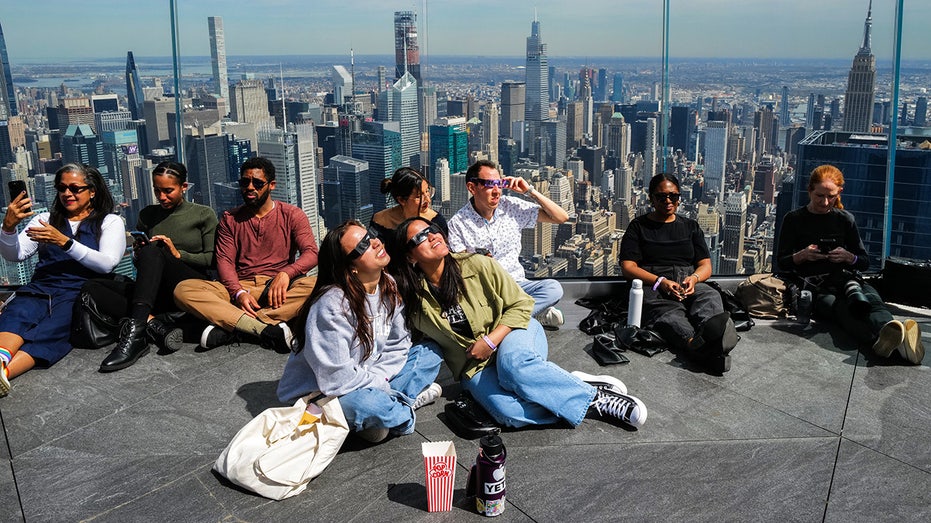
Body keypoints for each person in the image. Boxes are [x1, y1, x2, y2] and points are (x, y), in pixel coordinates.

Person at [392, 217, 647, 430]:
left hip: (514, 330)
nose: (433, 235)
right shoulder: (415, 299)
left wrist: (490, 341)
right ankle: (567, 384)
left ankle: (594, 400)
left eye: (431, 230)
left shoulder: (477, 264)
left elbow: (522, 304)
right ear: (410, 257)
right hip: (474, 366)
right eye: (420, 237)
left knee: (513, 366)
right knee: (508, 413)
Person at [277, 221, 443, 443]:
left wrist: (379, 379)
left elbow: (399, 343)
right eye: (363, 245)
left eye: (371, 236)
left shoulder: (388, 285)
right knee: (366, 405)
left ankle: (388, 410)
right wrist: (380, 386)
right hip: (324, 394)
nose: (375, 242)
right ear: (350, 266)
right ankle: (403, 410)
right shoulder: (332, 305)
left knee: (430, 352)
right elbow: (336, 378)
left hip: (370, 375)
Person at [776, 164, 923, 364]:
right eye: (820, 195)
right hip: (817, 288)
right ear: (809, 190)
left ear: (840, 193)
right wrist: (801, 256)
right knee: (842, 310)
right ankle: (894, 345)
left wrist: (848, 257)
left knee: (870, 302)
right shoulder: (794, 219)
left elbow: (863, 262)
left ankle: (892, 333)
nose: (825, 202)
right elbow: (782, 263)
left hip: (847, 279)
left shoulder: (845, 219)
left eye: (831, 196)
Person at [0, 164, 124, 396]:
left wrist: (65, 242)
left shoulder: (109, 222)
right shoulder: (45, 219)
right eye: (62, 188)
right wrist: (7, 228)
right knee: (17, 317)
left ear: (92, 191)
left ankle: (5, 374)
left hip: (78, 294)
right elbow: (14, 254)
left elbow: (107, 263)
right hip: (39, 288)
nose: (68, 194)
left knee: (51, 331)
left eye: (75, 188)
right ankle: (0, 364)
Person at [173, 157, 318, 353]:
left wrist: (286, 274)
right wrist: (238, 292)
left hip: (278, 287)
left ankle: (238, 326)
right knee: (184, 289)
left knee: (320, 285)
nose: (250, 187)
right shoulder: (230, 219)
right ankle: (264, 329)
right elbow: (224, 262)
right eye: (245, 182)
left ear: (271, 185)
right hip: (241, 287)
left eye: (257, 183)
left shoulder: (292, 215)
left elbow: (311, 253)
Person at [86, 161, 219, 372]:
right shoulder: (147, 215)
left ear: (184, 187)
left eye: (168, 191)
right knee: (91, 287)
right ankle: (154, 324)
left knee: (155, 251)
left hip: (191, 285)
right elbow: (143, 264)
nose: (162, 197)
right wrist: (139, 255)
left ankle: (135, 336)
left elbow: (211, 260)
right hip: (157, 292)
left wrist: (176, 254)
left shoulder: (203, 214)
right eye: (157, 191)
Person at [619, 173, 738, 375]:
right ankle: (694, 343)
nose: (667, 201)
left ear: (679, 197)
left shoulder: (690, 226)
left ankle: (709, 337)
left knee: (709, 295)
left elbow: (705, 266)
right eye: (661, 196)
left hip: (686, 279)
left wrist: (694, 279)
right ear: (651, 198)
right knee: (665, 310)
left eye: (673, 196)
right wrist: (661, 281)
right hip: (653, 283)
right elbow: (628, 267)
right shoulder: (638, 227)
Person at [447, 160, 569, 328]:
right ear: (471, 187)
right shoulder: (457, 224)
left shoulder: (511, 207)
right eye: (490, 185)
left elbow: (561, 217)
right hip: (485, 292)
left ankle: (504, 319)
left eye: (499, 184)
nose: (497, 191)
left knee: (553, 288)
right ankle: (529, 314)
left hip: (517, 285)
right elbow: (461, 271)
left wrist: (530, 191)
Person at [370, 167, 447, 252]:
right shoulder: (380, 221)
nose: (428, 200)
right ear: (402, 200)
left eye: (427, 191)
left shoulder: (436, 221)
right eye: (419, 196)